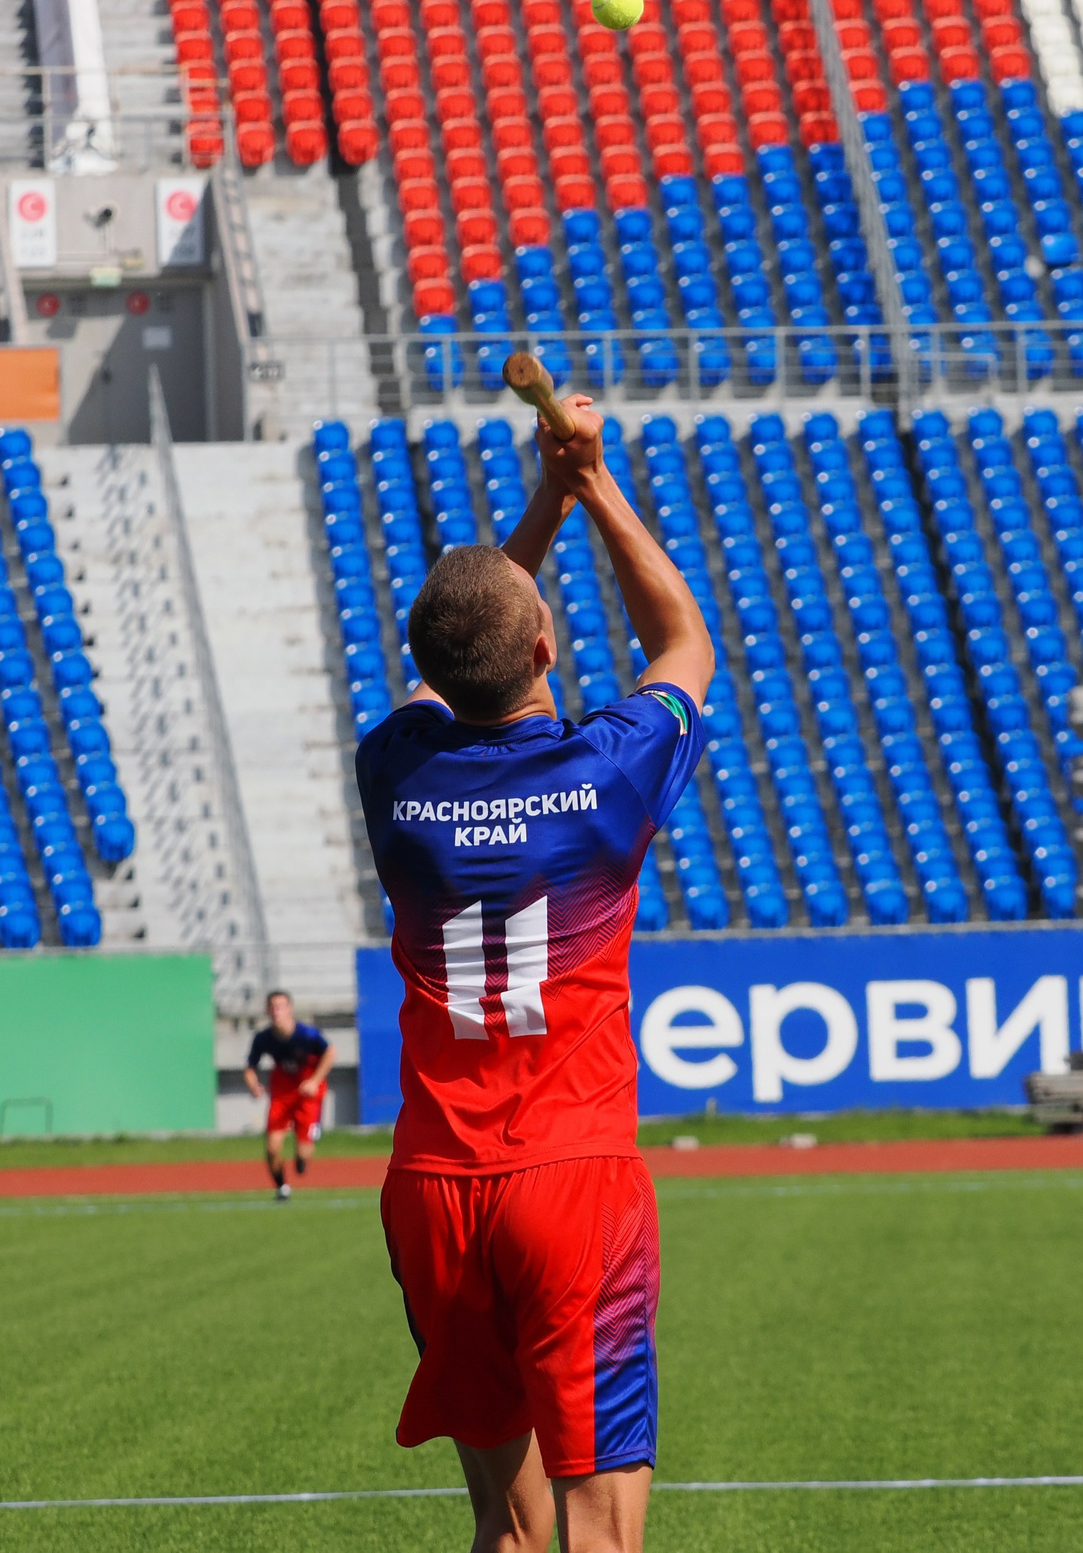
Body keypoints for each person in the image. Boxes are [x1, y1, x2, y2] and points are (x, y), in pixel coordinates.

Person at [354, 395, 713, 1553]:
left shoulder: (394, 771)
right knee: (598, 1534)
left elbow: (455, 650)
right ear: (547, 649)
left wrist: (541, 509)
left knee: (505, 1531)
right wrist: (590, 483)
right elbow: (684, 645)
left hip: (434, 1186)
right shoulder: (605, 774)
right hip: (571, 1182)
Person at [244, 990, 333, 1200]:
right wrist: (254, 1085)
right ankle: (282, 1187)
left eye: (280, 1006)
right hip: (282, 1093)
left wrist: (314, 1081)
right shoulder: (263, 1038)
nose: (276, 1011)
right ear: (267, 1010)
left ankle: (303, 1156)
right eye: (272, 1007)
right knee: (272, 1147)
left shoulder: (307, 1034)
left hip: (307, 1093)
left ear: (289, 1009)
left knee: (303, 1153)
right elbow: (250, 1067)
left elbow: (330, 1053)